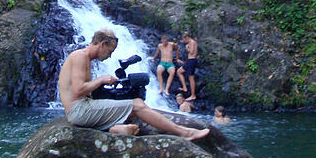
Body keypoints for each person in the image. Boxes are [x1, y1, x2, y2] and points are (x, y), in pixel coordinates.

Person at [58, 28, 209, 140]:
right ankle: (185, 133)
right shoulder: (79, 56)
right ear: (102, 44)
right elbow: (78, 91)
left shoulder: (86, 59)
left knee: (127, 107)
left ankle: (115, 129)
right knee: (136, 104)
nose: (110, 55)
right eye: (110, 51)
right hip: (78, 111)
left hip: (82, 108)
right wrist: (101, 80)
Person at [177, 33, 199, 101]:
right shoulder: (193, 42)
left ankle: (193, 95)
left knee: (191, 78)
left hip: (191, 61)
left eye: (184, 39)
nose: (183, 41)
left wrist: (187, 48)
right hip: (190, 61)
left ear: (186, 37)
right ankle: (185, 87)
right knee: (179, 71)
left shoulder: (192, 42)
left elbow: (191, 52)